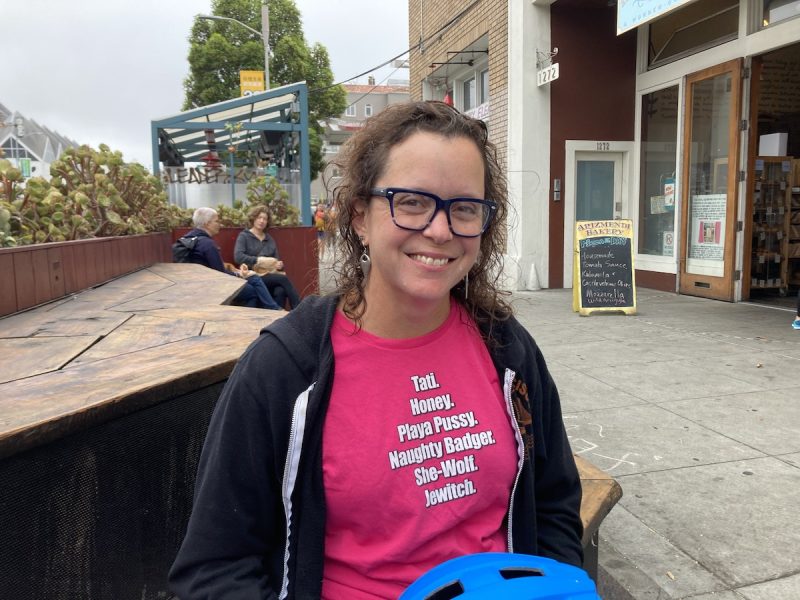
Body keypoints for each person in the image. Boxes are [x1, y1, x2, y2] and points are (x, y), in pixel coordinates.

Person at [169, 101, 583, 599]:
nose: (440, 229)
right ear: (360, 217)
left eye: (465, 208)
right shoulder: (285, 368)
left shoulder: (506, 347)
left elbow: (555, 499)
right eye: (411, 201)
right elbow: (213, 569)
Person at [185, 207, 282, 310]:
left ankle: (275, 309)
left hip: (195, 283)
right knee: (252, 288)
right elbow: (220, 274)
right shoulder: (208, 244)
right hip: (212, 286)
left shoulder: (188, 239)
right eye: (217, 221)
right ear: (207, 224)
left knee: (273, 286)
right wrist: (239, 274)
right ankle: (272, 311)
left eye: (265, 219)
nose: (219, 224)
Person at [234, 206, 302, 310]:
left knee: (280, 290)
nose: (262, 221)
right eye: (259, 217)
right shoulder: (244, 236)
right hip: (252, 275)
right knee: (283, 279)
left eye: (265, 219)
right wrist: (258, 261)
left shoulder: (269, 239)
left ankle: (279, 320)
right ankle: (299, 310)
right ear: (253, 219)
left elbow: (275, 260)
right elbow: (238, 257)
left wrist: (278, 265)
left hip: (269, 275)